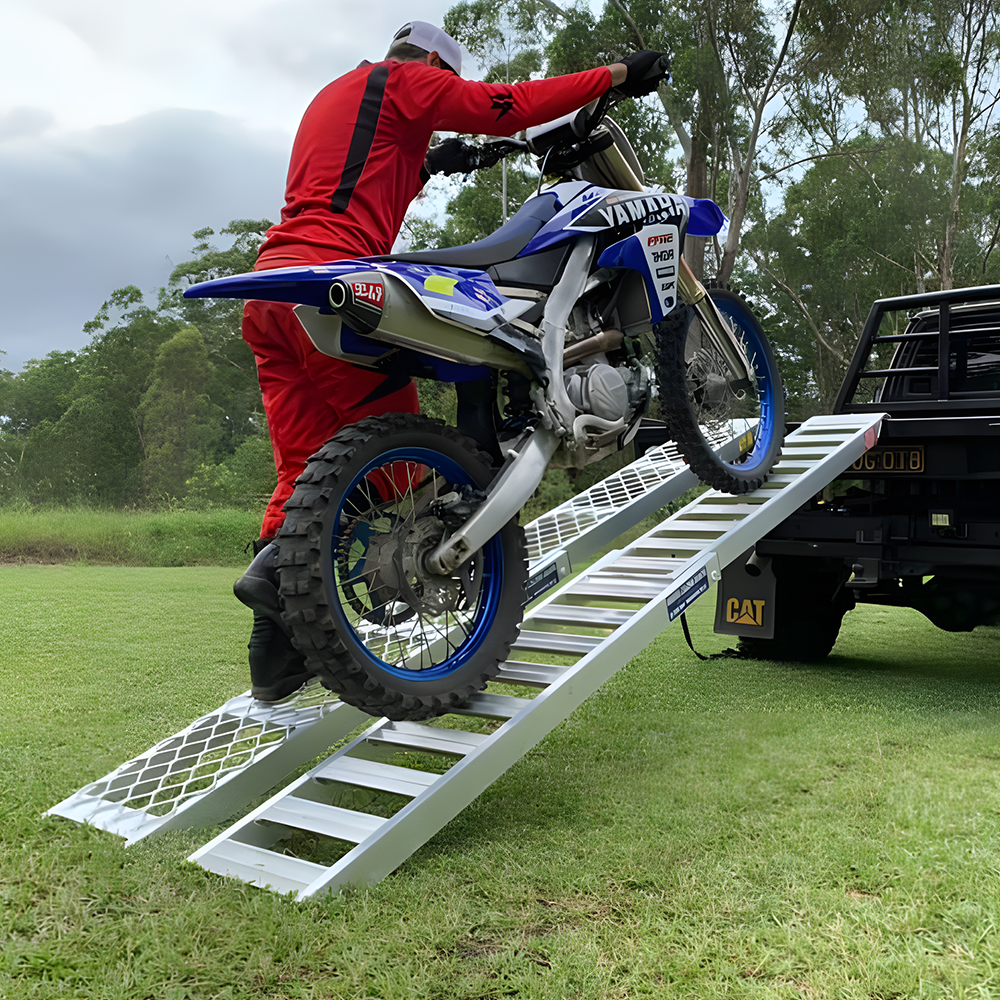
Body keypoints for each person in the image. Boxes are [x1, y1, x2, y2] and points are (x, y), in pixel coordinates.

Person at [235, 20, 669, 702]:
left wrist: (443, 160)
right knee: (404, 466)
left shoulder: (341, 94)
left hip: (273, 290)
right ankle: (289, 582)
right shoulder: (406, 81)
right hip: (333, 284)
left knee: (304, 471)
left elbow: (372, 169)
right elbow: (512, 104)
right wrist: (616, 76)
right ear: (434, 66)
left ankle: (274, 655)